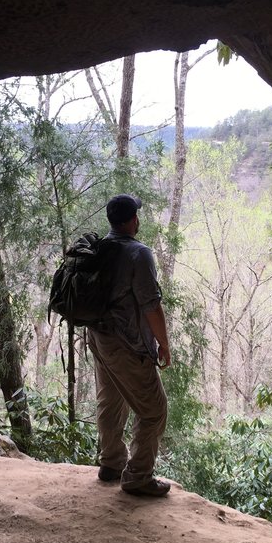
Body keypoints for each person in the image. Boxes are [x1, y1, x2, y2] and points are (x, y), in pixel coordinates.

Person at [87, 193, 172, 497]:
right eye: (137, 214)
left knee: (111, 401)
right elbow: (151, 305)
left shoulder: (100, 248)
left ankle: (111, 463)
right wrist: (163, 344)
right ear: (133, 220)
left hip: (98, 338)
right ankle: (137, 476)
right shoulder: (139, 254)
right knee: (154, 411)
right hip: (127, 343)